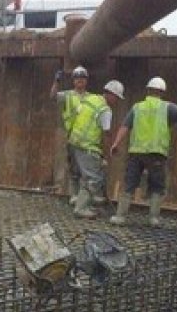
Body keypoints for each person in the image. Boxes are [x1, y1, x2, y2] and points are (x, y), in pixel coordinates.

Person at [109, 76, 177, 227]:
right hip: (156, 154)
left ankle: (120, 217)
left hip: (137, 153)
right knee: (157, 186)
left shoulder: (137, 107)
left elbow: (125, 126)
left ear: (148, 90)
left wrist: (116, 143)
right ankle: (153, 219)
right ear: (162, 92)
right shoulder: (167, 108)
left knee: (129, 184)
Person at [51, 66, 126, 219]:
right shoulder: (105, 109)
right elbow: (106, 133)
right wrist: (106, 153)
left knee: (83, 174)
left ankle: (81, 201)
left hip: (75, 141)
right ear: (110, 94)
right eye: (117, 98)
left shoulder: (91, 98)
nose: (117, 101)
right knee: (92, 178)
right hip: (86, 145)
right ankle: (80, 207)